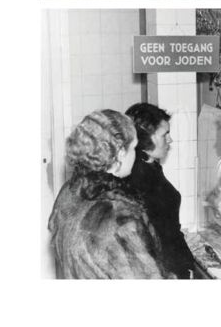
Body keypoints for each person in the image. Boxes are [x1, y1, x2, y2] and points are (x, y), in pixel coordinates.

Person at [48, 109, 170, 279]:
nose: (135, 154)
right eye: (133, 148)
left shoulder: (69, 192)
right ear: (120, 153)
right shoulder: (118, 216)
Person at [125, 103, 204, 279]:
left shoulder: (150, 165)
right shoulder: (140, 176)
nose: (170, 140)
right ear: (145, 138)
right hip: (165, 270)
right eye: (164, 134)